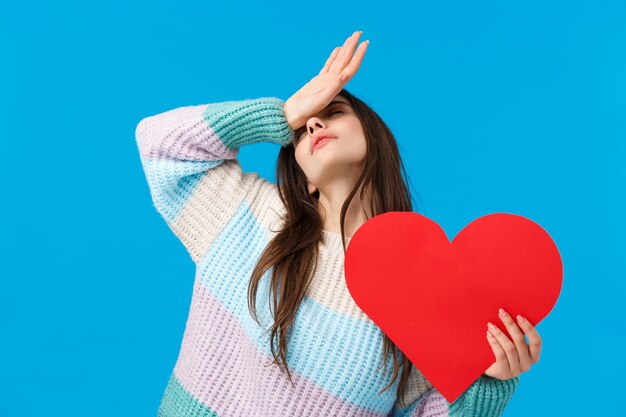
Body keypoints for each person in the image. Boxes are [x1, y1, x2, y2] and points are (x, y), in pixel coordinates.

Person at [135, 30, 541, 417]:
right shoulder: (249, 213)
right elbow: (158, 144)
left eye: (334, 112)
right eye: (303, 126)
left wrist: (489, 384)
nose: (313, 123)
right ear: (305, 180)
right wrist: (283, 113)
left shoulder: (423, 287)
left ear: (375, 138)